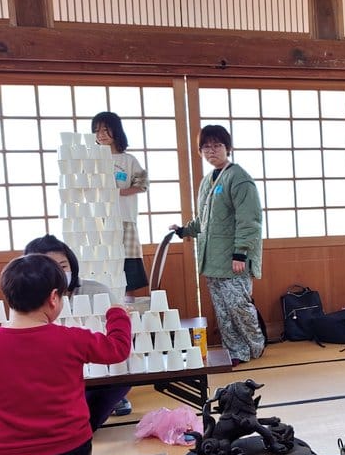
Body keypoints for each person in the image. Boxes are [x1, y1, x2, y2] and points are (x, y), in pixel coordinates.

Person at [0, 254, 131, 455]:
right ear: (54, 298)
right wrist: (117, 315)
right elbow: (117, 349)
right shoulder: (72, 339)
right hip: (71, 452)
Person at [170, 125, 264, 366]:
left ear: (228, 148)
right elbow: (204, 219)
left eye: (217, 145)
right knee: (223, 311)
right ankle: (235, 351)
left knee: (238, 306)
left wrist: (240, 253)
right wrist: (184, 230)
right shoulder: (206, 181)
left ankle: (255, 345)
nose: (211, 151)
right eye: (206, 147)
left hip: (234, 259)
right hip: (211, 259)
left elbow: (250, 219)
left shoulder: (239, 177)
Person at [24, 234, 133, 423]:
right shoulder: (28, 299)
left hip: (97, 362)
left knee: (119, 379)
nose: (58, 273)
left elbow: (118, 339)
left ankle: (88, 420)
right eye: (49, 267)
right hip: (55, 370)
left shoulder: (97, 291)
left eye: (63, 266)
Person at [92, 111, 149, 299]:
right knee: (103, 267)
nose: (100, 134)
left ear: (116, 131)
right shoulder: (92, 159)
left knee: (127, 269)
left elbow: (142, 184)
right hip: (98, 222)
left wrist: (117, 192)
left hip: (125, 219)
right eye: (97, 131)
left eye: (105, 130)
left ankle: (128, 309)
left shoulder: (128, 160)